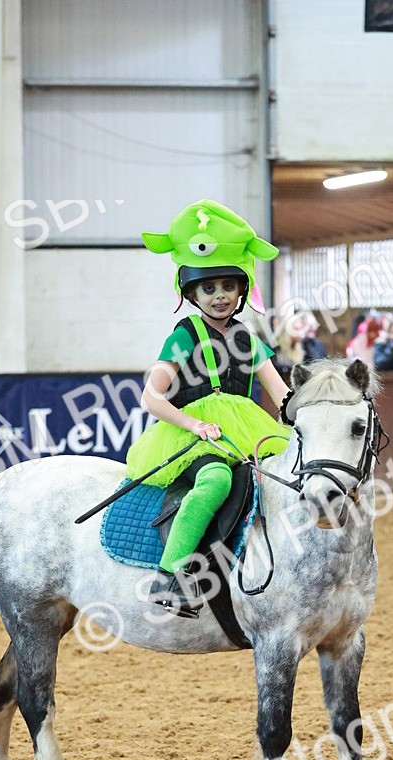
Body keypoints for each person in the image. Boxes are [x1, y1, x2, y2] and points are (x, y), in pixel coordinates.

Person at [125, 198, 289, 615]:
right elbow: (151, 396)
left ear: (241, 289)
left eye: (228, 287)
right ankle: (171, 575)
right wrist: (193, 423)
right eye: (209, 288)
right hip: (194, 436)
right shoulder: (185, 335)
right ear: (193, 292)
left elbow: (282, 394)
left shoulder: (248, 339)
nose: (220, 296)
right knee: (214, 481)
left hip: (245, 434)